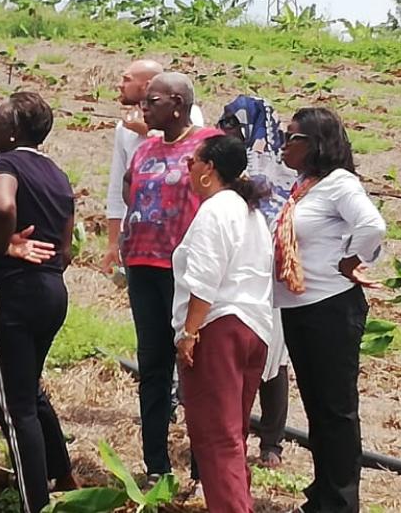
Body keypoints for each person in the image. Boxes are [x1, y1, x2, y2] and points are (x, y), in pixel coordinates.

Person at [275, 107, 386, 513]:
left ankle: (340, 503)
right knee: (318, 409)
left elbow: (373, 226)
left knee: (336, 411)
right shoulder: (305, 184)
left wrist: (350, 259)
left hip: (331, 309)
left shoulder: (340, 184)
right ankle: (322, 494)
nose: (285, 144)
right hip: (301, 307)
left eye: (293, 137)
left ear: (317, 144)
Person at [0, 91, 78, 513]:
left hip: (12, 294)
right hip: (52, 292)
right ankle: (63, 472)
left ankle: (34, 504)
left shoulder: (8, 163)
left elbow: (1, 204)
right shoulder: (56, 173)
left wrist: (6, 246)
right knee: (30, 392)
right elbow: (66, 247)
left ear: (12, 131)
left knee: (15, 408)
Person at [119, 72, 218, 479]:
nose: (144, 107)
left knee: (195, 368)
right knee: (153, 366)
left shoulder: (207, 143)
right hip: (143, 266)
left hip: (185, 273)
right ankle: (156, 464)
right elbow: (129, 187)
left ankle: (202, 465)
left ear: (177, 103)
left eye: (152, 101)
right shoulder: (146, 147)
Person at [172, 134, 275, 513]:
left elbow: (204, 280)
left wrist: (189, 333)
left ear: (208, 169)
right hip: (254, 328)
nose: (189, 168)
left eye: (192, 162)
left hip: (218, 327)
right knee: (234, 433)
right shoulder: (250, 213)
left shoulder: (215, 211)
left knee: (216, 437)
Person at [218, 95, 298, 468]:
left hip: (273, 274)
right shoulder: (228, 169)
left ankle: (272, 443)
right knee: (237, 356)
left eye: (233, 124)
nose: (226, 129)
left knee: (273, 358)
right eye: (225, 122)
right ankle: (234, 436)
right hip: (237, 272)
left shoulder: (284, 171)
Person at [99, 59, 205, 276]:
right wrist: (113, 242)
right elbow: (118, 183)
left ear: (147, 86)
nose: (120, 85)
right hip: (139, 238)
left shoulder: (190, 116)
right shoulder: (123, 127)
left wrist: (145, 131)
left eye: (126, 80)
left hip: (178, 239)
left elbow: (188, 156)